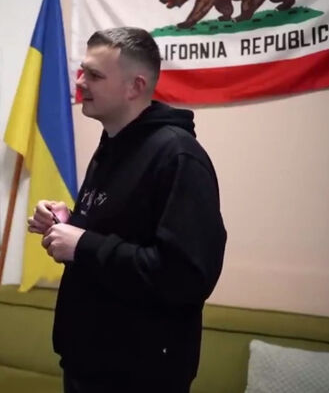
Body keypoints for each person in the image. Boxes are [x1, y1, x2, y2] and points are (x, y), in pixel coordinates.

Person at [27, 27, 226, 393]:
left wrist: (83, 244)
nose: (80, 82)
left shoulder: (178, 156)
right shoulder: (112, 145)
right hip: (86, 364)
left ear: (135, 86)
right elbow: (117, 231)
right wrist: (69, 222)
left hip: (141, 376)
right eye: (82, 71)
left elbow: (185, 276)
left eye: (95, 75)